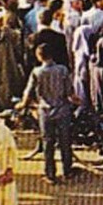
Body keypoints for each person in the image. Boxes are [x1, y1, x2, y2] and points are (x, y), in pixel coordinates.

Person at [16, 41, 77, 184]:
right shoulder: (62, 70)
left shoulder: (37, 72)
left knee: (47, 143)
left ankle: (50, 174)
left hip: (45, 111)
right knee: (65, 141)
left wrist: (22, 105)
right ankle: (67, 171)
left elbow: (28, 93)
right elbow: (70, 92)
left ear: (39, 56)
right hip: (63, 110)